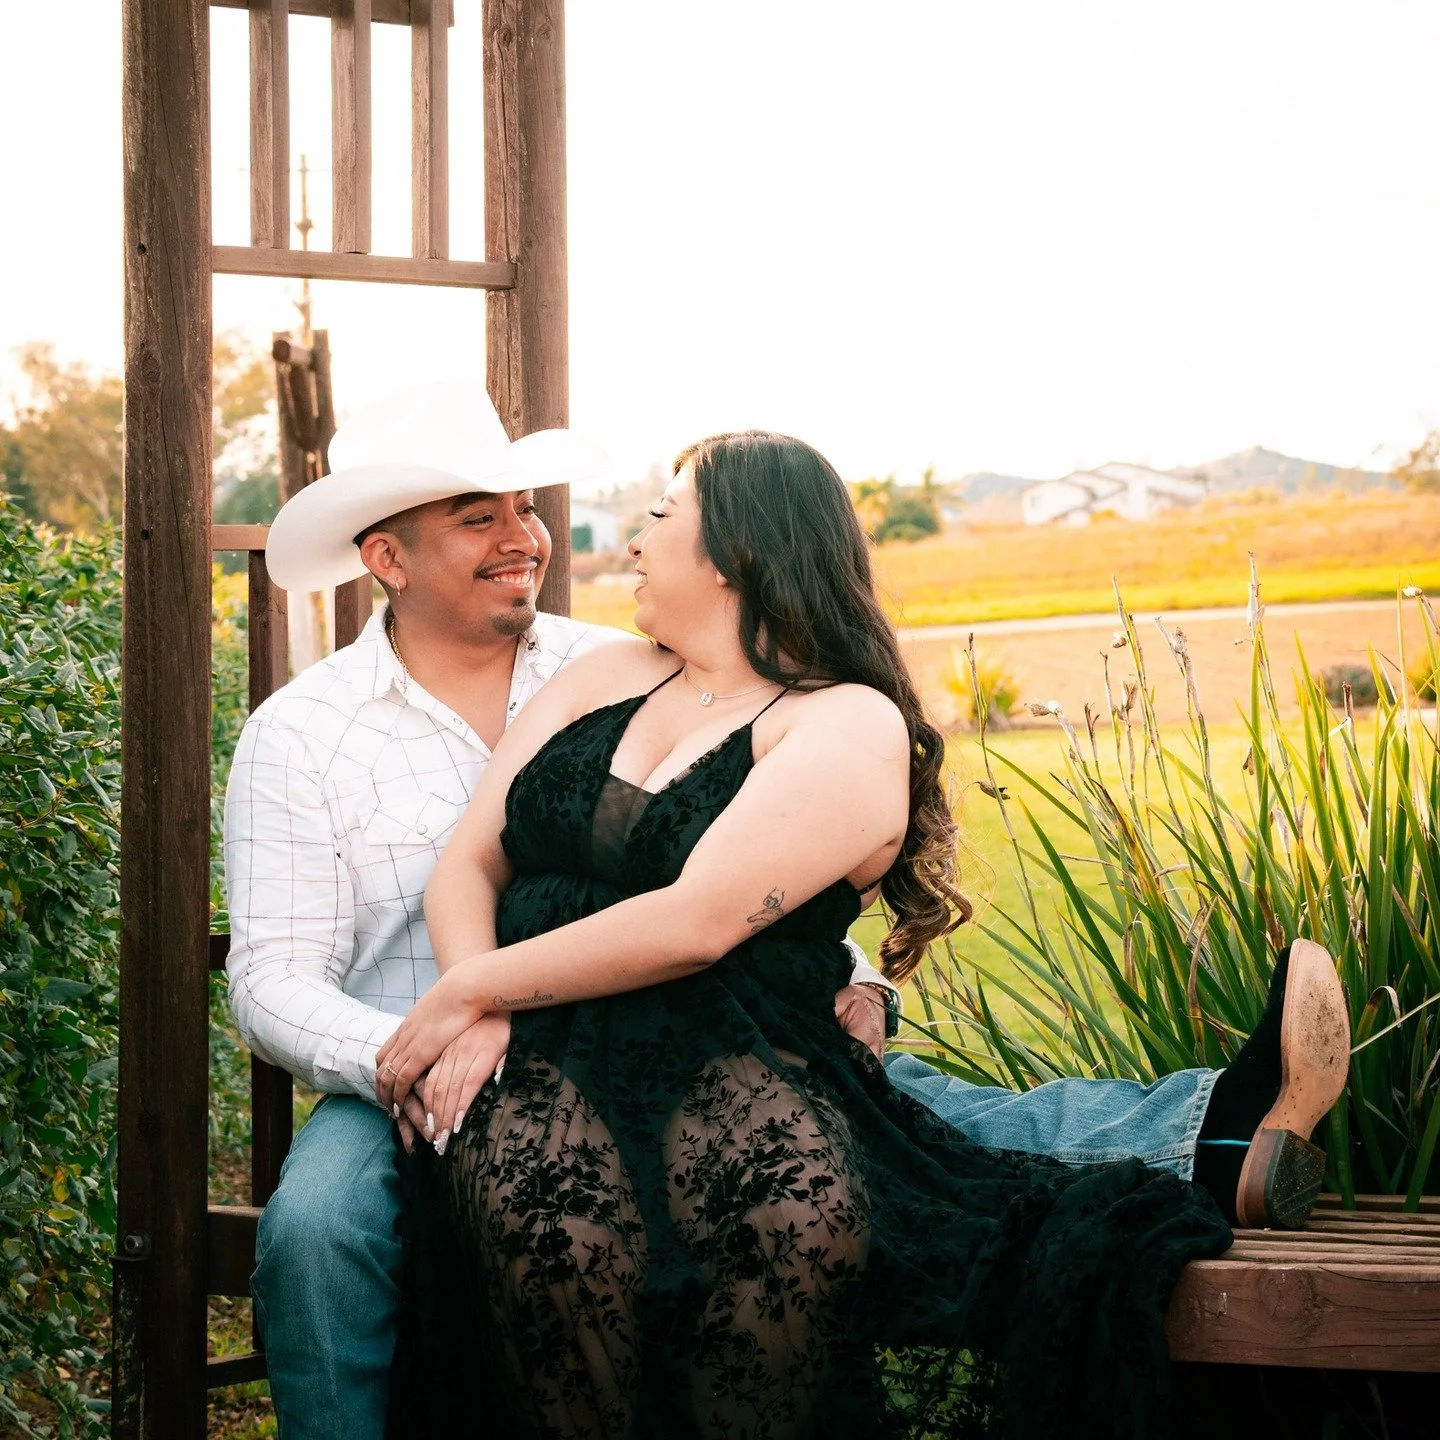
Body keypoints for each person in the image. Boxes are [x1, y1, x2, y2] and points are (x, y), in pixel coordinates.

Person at [374, 431, 1349, 1439]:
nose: (633, 540)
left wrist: (467, 995)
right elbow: (470, 861)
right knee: (548, 1263)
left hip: (729, 1079)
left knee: (792, 1263)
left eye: (661, 517)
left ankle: (1220, 1130)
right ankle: (1219, 1130)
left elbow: (698, 921)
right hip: (540, 1067)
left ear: (733, 554)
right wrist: (477, 1003)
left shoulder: (841, 723)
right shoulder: (600, 674)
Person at [223, 385, 903, 1440]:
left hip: (647, 1026)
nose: (522, 538)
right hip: (406, 1062)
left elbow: (729, 838)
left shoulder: (617, 664)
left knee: (897, 1143)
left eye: (525, 508)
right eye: (476, 517)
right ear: (388, 559)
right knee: (315, 1234)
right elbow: (270, 978)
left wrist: (850, 973)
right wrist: (432, 1048)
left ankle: (1190, 1133)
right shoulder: (299, 735)